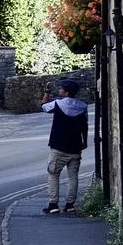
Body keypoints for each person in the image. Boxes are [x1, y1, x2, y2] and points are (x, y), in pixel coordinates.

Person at [40, 78, 88, 214]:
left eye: (61, 88)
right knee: (73, 176)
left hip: (58, 146)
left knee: (53, 174)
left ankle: (53, 204)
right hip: (75, 146)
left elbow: (44, 106)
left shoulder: (57, 104)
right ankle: (70, 204)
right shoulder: (83, 106)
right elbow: (84, 126)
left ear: (66, 93)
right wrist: (84, 142)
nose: (59, 89)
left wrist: (47, 93)